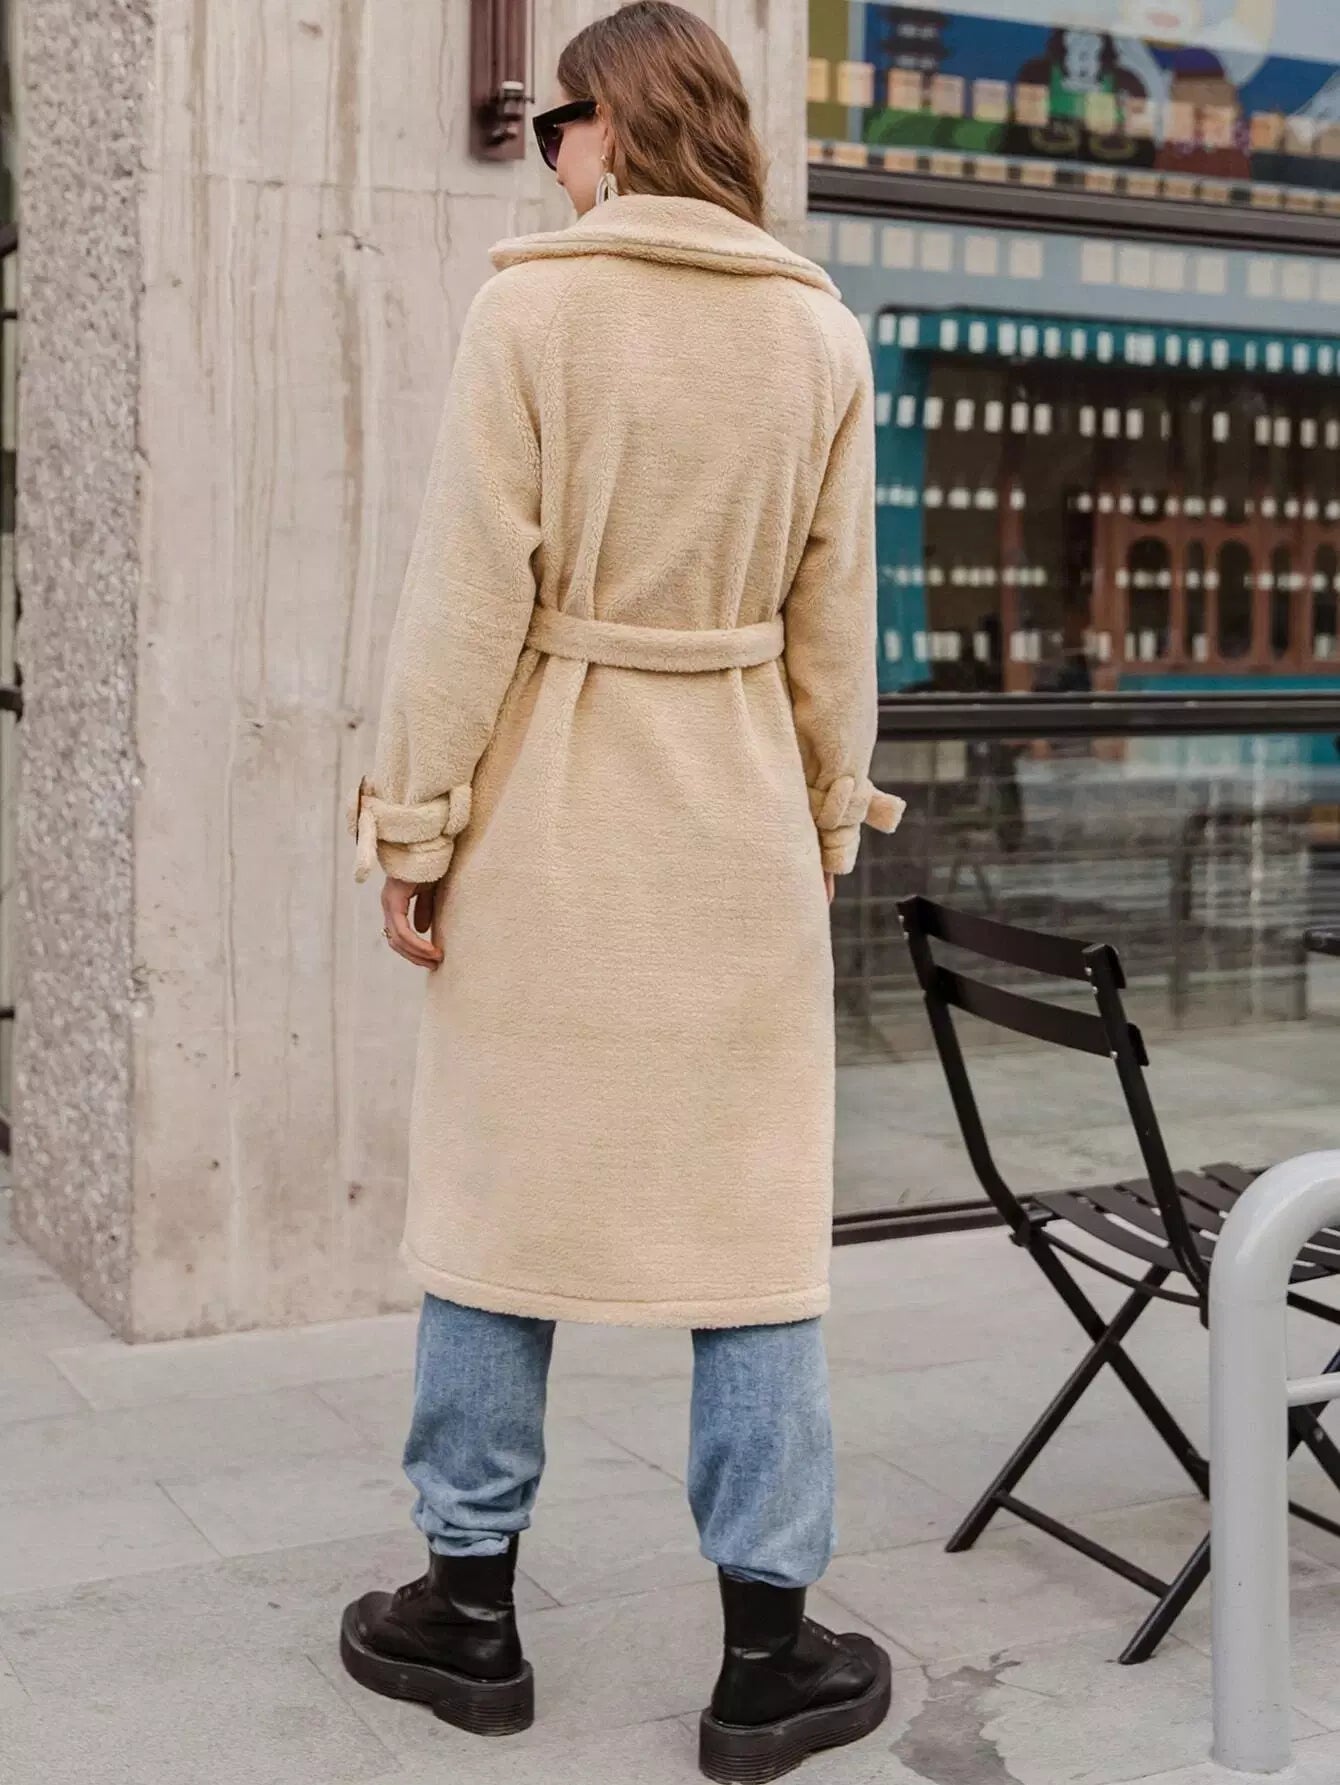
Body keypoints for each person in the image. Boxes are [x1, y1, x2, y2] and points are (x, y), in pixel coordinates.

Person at [339, 5, 902, 1779]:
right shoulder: (818, 335)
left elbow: (463, 603)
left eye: (554, 127)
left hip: (550, 828)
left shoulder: (534, 313)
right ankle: (769, 1658)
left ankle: (468, 1612)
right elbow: (833, 631)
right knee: (755, 1246)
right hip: (735, 830)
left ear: (619, 126)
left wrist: (413, 830)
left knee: (500, 1213)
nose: (548, 160)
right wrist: (822, 828)